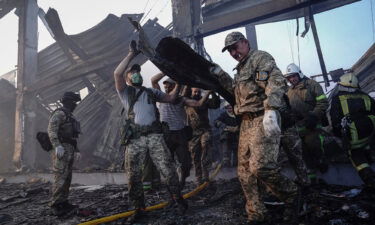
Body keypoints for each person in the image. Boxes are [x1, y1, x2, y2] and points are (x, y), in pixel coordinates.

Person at [211, 31, 298, 223]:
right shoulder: (241, 69)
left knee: (261, 167)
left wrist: (272, 109)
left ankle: (293, 196)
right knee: (244, 171)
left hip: (261, 118)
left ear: (245, 42)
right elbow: (237, 91)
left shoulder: (259, 58)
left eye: (236, 47)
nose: (234, 52)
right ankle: (256, 213)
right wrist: (220, 74)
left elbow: (275, 82)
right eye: (230, 50)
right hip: (246, 122)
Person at [113, 41, 187, 222]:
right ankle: (139, 209)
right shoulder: (125, 92)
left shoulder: (151, 92)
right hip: (135, 139)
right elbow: (117, 73)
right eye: (133, 72)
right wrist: (131, 54)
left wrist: (179, 82)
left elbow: (170, 98)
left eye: (138, 72)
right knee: (133, 176)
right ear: (129, 77)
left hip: (155, 137)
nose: (137, 74)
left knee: (168, 170)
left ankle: (178, 200)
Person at [148, 74, 216, 189]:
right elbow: (153, 80)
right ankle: (171, 184)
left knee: (186, 163)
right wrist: (167, 71)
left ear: (176, 86)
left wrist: (208, 93)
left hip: (180, 134)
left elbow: (198, 104)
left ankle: (182, 179)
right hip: (167, 134)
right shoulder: (161, 97)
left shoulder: (181, 99)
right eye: (165, 86)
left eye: (169, 85)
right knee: (166, 161)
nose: (166, 88)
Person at [284, 63, 330, 180]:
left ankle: (321, 160)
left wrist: (314, 116)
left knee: (313, 144)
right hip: (298, 127)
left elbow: (323, 102)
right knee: (303, 153)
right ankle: (312, 178)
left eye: (293, 76)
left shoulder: (312, 85)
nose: (291, 79)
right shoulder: (289, 92)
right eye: (289, 78)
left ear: (299, 74)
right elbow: (289, 109)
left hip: (313, 123)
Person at [329, 72, 375, 189]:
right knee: (366, 147)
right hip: (370, 136)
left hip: (353, 141)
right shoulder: (367, 96)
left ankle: (370, 180)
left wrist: (341, 138)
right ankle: (369, 151)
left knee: (356, 156)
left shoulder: (337, 99)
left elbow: (335, 124)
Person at [48, 91, 81, 216]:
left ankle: (63, 202)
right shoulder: (59, 113)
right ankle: (56, 205)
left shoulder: (69, 116)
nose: (75, 104)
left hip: (69, 149)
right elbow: (51, 130)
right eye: (74, 102)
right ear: (68, 101)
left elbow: (72, 136)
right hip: (62, 149)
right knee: (60, 177)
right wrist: (57, 146)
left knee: (67, 178)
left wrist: (77, 150)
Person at [185, 87, 220, 185]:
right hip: (193, 132)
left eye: (198, 92)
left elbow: (215, 105)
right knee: (195, 155)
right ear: (191, 92)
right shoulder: (187, 100)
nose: (196, 93)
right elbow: (197, 105)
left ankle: (206, 175)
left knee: (206, 148)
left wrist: (213, 93)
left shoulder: (205, 100)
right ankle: (198, 177)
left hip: (205, 130)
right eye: (194, 91)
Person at [214, 102, 239, 167]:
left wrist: (237, 127)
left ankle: (235, 168)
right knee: (226, 156)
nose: (230, 109)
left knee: (237, 156)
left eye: (231, 108)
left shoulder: (238, 115)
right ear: (226, 108)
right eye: (228, 108)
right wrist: (224, 126)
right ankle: (226, 170)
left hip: (236, 137)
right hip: (227, 138)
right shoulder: (223, 115)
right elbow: (216, 122)